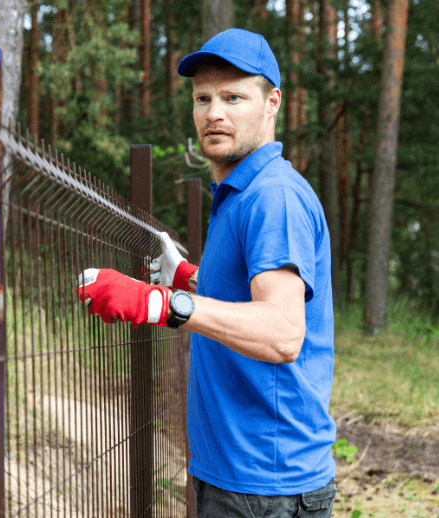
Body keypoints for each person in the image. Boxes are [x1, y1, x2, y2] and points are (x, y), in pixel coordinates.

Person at [76, 28, 337, 517]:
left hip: (265, 485)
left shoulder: (271, 197)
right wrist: (190, 279)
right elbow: (254, 291)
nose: (214, 113)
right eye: (203, 98)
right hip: (241, 473)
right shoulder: (240, 191)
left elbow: (282, 332)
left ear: (271, 102)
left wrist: (156, 302)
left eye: (233, 97)